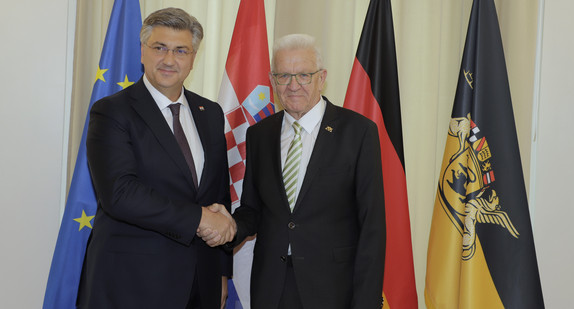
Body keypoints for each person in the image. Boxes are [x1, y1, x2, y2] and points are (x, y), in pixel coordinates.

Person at [199, 34, 386, 308]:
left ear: (322, 78)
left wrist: (367, 302)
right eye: (284, 76)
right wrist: (229, 226)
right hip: (271, 287)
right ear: (273, 81)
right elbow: (253, 209)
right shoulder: (260, 134)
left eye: (303, 76)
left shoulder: (358, 132)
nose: (293, 85)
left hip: (333, 289)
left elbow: (372, 226)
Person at [77, 8, 235, 309]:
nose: (169, 59)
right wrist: (199, 218)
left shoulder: (210, 113)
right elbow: (120, 193)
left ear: (193, 58)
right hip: (131, 283)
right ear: (142, 52)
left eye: (180, 51)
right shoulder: (111, 111)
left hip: (201, 282)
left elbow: (216, 194)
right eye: (159, 48)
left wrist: (222, 272)